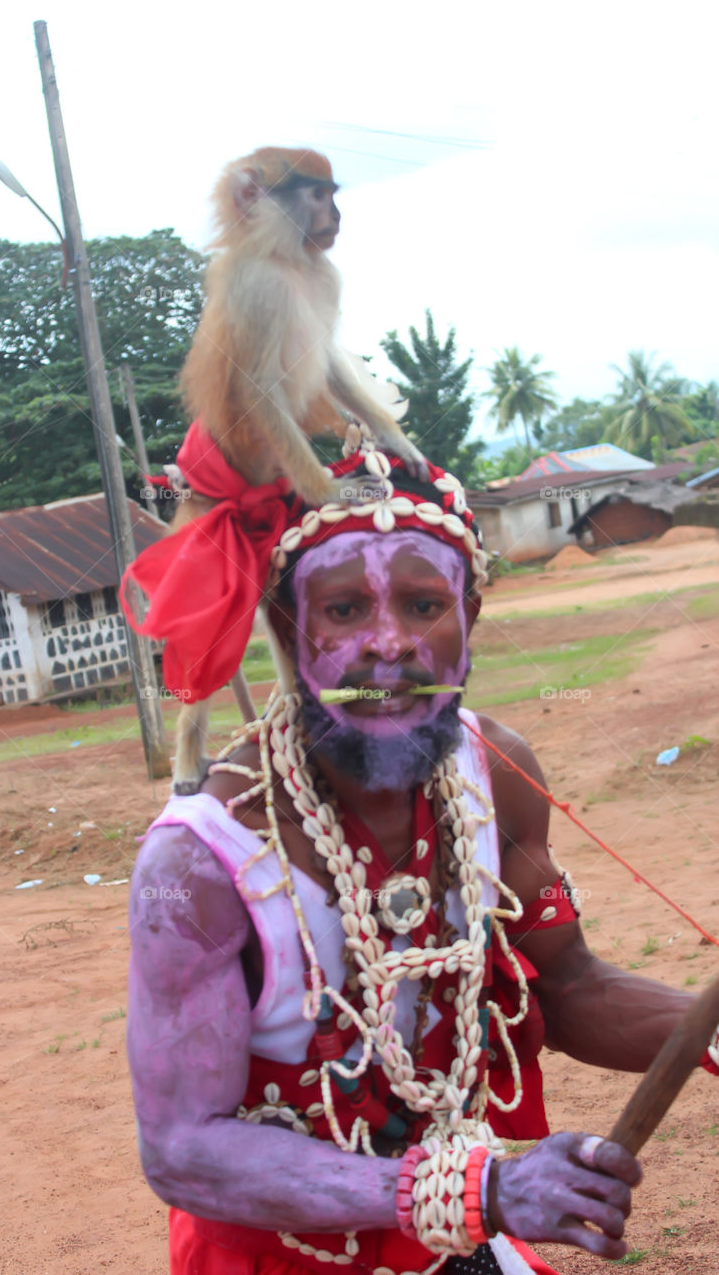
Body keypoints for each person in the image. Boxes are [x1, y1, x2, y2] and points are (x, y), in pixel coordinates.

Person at [126, 442, 710, 1274]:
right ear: (287, 627)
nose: (390, 647)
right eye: (341, 611)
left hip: (459, 1244)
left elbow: (570, 986)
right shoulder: (198, 864)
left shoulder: (492, 775)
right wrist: (481, 1193)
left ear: (472, 611)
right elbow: (182, 1150)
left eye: (424, 603)